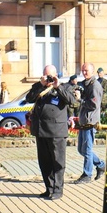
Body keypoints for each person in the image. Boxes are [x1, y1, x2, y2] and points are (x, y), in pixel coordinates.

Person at [25, 64, 75, 200]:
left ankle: (58, 189)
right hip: (41, 130)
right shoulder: (39, 87)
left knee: (58, 162)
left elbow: (72, 101)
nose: (49, 79)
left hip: (56, 131)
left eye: (51, 76)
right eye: (46, 76)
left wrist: (57, 86)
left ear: (56, 75)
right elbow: (28, 99)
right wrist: (41, 85)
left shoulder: (64, 87)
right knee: (44, 162)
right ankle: (49, 188)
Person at [74, 62, 106, 184]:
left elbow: (93, 105)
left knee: (87, 150)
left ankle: (87, 174)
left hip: (90, 122)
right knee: (81, 150)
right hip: (83, 121)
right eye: (83, 70)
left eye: (86, 70)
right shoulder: (85, 84)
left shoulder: (95, 85)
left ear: (93, 71)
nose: (84, 72)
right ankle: (101, 165)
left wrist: (80, 100)